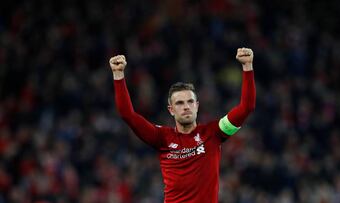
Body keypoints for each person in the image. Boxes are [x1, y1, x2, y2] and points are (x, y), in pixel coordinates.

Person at [109, 47, 256, 203]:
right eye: (179, 103)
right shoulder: (162, 137)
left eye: (190, 102)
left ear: (197, 106)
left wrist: (247, 67)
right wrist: (118, 75)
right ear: (171, 110)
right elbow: (128, 115)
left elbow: (246, 107)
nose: (186, 106)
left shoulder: (214, 132)